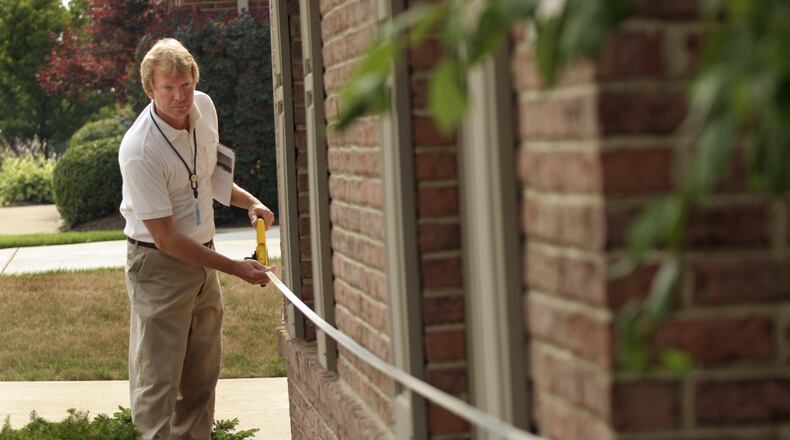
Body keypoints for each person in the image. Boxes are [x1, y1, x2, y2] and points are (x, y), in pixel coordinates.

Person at [118, 38, 274, 440]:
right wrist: (237, 269)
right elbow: (166, 238)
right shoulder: (139, 149)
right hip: (159, 265)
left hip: (205, 257)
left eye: (185, 84)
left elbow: (211, 175)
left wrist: (250, 202)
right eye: (168, 87)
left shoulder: (203, 106)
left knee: (202, 380)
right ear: (150, 89)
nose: (179, 96)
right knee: (158, 384)